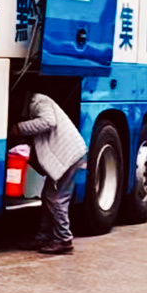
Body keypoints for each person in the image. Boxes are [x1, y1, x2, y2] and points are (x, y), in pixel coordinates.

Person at [12, 93, 88, 256]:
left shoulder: (37, 101)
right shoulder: (33, 105)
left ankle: (63, 239)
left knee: (56, 198)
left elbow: (48, 122)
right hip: (69, 154)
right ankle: (44, 236)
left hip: (69, 155)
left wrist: (19, 128)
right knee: (48, 196)